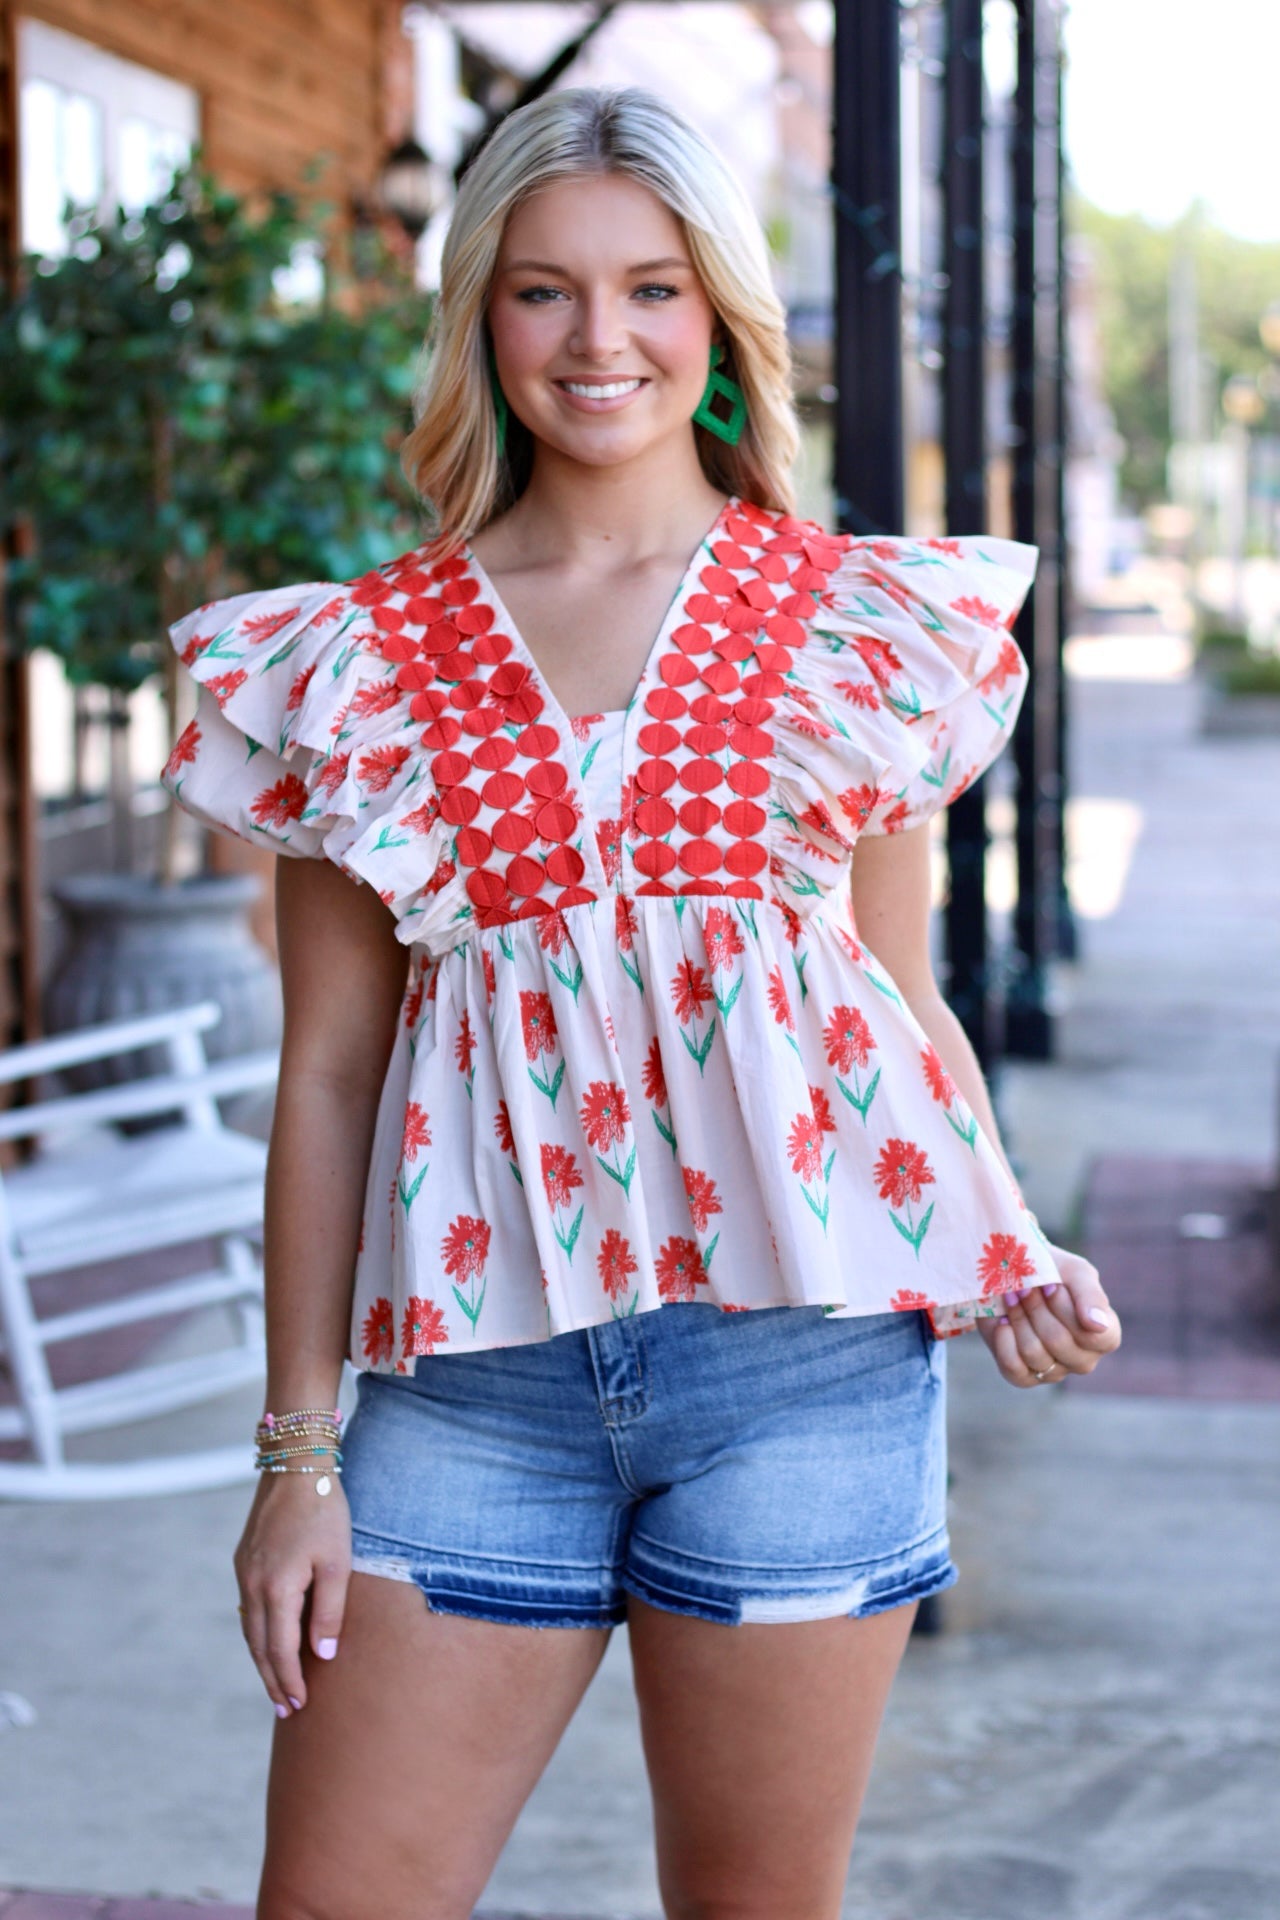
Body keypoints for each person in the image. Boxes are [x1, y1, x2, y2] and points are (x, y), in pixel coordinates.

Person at [161, 84, 1121, 1920]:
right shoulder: (354, 665)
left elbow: (895, 993)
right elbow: (332, 1078)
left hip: (804, 1375)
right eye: (541, 291)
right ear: (480, 317)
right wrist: (295, 1451)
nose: (600, 339)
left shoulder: (860, 624)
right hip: (465, 1396)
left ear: (720, 318)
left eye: (654, 287)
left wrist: (997, 1230)